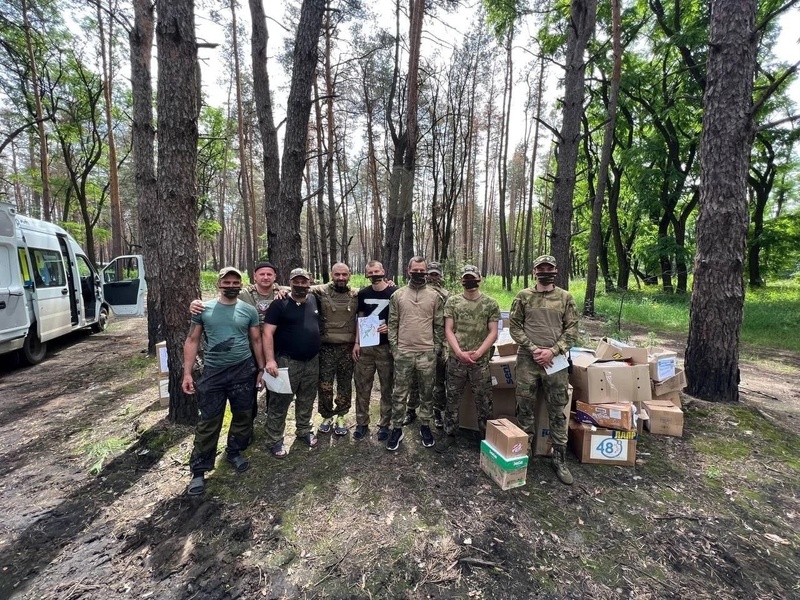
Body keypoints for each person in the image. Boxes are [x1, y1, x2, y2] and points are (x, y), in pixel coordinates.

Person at [182, 267, 264, 496]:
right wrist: (187, 373)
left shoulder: (249, 310)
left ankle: (234, 451)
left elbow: (256, 340)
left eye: (235, 282)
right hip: (213, 373)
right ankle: (199, 470)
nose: (231, 285)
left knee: (243, 414)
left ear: (241, 284)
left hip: (243, 371)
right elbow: (192, 340)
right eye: (226, 282)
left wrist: (260, 369)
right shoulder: (203, 309)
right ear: (219, 284)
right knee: (209, 420)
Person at [509, 255, 579, 485]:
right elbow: (515, 326)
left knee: (558, 410)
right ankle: (524, 453)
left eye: (549, 268)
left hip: (555, 363)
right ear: (534, 271)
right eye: (541, 268)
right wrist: (533, 348)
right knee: (525, 407)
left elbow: (572, 330)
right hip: (528, 361)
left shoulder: (565, 297)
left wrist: (553, 351)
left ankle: (559, 458)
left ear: (556, 271)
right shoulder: (523, 296)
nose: (545, 271)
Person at [189, 261, 287, 424]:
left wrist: (286, 292)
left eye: (269, 274)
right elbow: (222, 299)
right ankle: (249, 421)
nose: (265, 277)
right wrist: (195, 303)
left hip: (276, 347)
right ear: (254, 276)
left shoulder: (283, 291)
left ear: (275, 277)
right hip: (250, 348)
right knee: (250, 388)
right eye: (261, 274)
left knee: (275, 384)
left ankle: (274, 420)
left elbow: (305, 290)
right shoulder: (243, 293)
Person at [436, 265, 500, 453]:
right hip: (457, 360)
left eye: (473, 277)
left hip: (479, 362)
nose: (469, 280)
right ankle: (449, 433)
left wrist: (479, 352)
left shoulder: (490, 303)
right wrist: (459, 353)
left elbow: (493, 331)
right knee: (452, 398)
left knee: (484, 400)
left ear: (480, 278)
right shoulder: (453, 302)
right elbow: (448, 329)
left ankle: (486, 437)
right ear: (461, 280)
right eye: (466, 277)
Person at [386, 256, 445, 451]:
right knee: (399, 394)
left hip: (426, 353)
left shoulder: (435, 297)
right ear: (408, 270)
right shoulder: (398, 295)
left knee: (427, 393)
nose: (419, 273)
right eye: (415, 270)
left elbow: (438, 325)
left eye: (422, 270)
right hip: (403, 352)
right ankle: (396, 428)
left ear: (426, 271)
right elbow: (392, 324)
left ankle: (425, 425)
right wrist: (395, 349)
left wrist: (435, 349)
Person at [262, 267, 322, 458]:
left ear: (309, 283)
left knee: (306, 399)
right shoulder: (279, 303)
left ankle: (304, 430)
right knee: (280, 402)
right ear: (290, 282)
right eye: (296, 281)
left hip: (312, 361)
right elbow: (267, 333)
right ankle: (274, 440)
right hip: (286, 361)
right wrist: (270, 360)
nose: (300, 285)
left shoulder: (314, 299)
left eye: (304, 281)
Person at [311, 263, 359, 436]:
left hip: (347, 348)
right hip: (326, 347)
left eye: (344, 274)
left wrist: (390, 284)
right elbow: (296, 288)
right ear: (331, 274)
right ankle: (326, 415)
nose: (341, 278)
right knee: (325, 384)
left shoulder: (356, 294)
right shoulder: (319, 291)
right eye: (337, 274)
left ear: (349, 275)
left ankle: (341, 415)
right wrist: (278, 289)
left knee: (345, 384)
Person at [352, 260, 397, 441]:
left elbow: (402, 318)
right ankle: (362, 423)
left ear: (383, 271)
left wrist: (391, 329)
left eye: (377, 271)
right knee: (362, 386)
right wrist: (356, 342)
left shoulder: (395, 293)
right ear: (366, 274)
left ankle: (385, 424)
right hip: (367, 346)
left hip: (387, 347)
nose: (374, 274)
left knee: (387, 387)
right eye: (370, 272)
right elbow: (360, 317)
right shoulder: (362, 293)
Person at [404, 261, 449, 428]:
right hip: (417, 341)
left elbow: (447, 320)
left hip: (437, 342)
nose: (432, 277)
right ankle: (411, 409)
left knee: (438, 379)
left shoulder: (445, 294)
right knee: (414, 379)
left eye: (436, 274)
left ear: (440, 275)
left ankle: (437, 411)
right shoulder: (413, 291)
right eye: (430, 273)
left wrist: (441, 344)